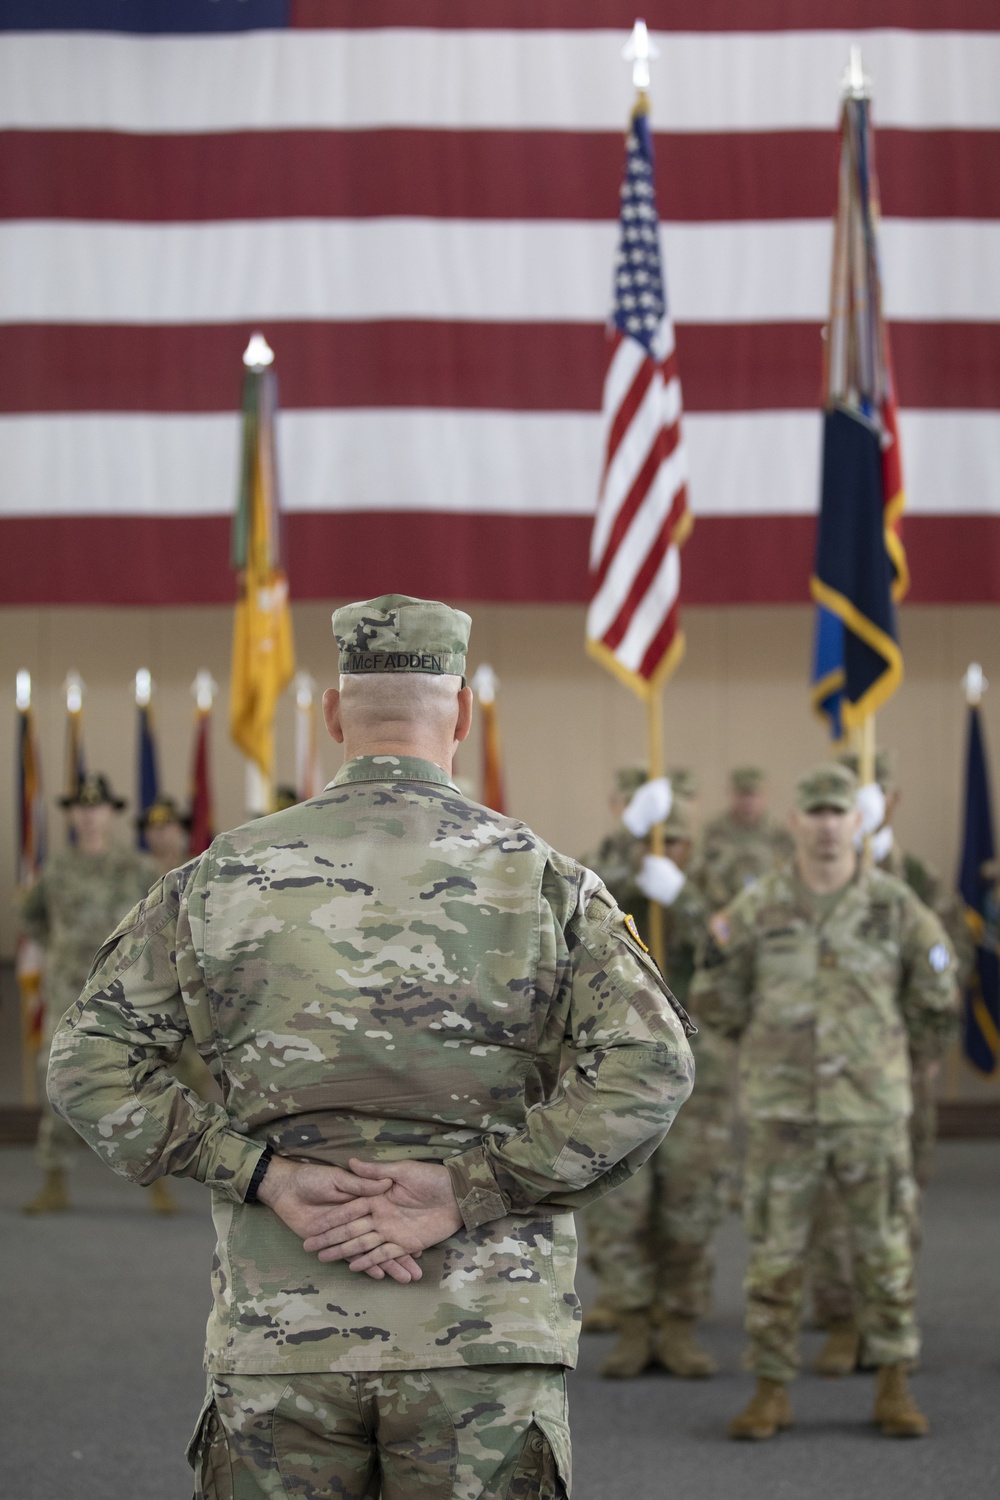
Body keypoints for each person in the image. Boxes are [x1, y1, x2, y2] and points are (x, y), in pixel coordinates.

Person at [48, 593, 696, 1498]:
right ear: (464, 714)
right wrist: (471, 1189)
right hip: (482, 1332)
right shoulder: (546, 882)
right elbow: (651, 1062)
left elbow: (87, 1058)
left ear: (330, 713)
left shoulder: (220, 878)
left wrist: (260, 1172)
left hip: (283, 1333)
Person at [690, 762, 958, 1441]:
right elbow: (715, 993)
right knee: (776, 1255)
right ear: (795, 821)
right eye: (817, 812)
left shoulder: (895, 906)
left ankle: (893, 1383)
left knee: (885, 1251)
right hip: (784, 1114)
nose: (829, 825)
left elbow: (936, 993)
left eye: (840, 812)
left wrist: (911, 1061)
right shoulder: (756, 909)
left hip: (870, 1110)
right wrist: (765, 1050)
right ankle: (771, 1389)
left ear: (858, 820)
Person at [806, 749, 959, 1372]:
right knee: (827, 1198)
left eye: (870, 793)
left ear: (887, 802)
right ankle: (841, 1317)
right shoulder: (811, 875)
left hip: (893, 1068)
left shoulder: (912, 878)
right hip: (822, 1068)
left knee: (896, 1197)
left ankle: (888, 1312)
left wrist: (925, 1048)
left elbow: (950, 956)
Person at [583, 798, 737, 1379]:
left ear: (689, 846)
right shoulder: (610, 889)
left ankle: (677, 1324)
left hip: (702, 1078)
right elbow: (573, 899)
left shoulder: (712, 891)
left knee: (689, 1204)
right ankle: (630, 1323)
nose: (663, 851)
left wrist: (686, 902)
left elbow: (737, 948)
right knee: (620, 1207)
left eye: (673, 840)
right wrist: (625, 856)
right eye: (652, 840)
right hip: (619, 1070)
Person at [19, 774, 174, 1214]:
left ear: (112, 813)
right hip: (67, 990)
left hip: (124, 992)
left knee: (143, 1079)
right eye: (81, 808)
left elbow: (160, 919)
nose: (89, 816)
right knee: (57, 1078)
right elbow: (31, 918)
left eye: (97, 808)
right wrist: (62, 951)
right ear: (71, 814)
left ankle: (157, 1181)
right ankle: (54, 1181)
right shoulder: (57, 869)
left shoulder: (137, 868)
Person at [689, 765, 793, 910]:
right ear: (730, 794)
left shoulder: (780, 835)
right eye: (742, 794)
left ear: (765, 795)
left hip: (769, 912)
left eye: (753, 794)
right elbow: (698, 873)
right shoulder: (712, 833)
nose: (748, 801)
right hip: (720, 909)